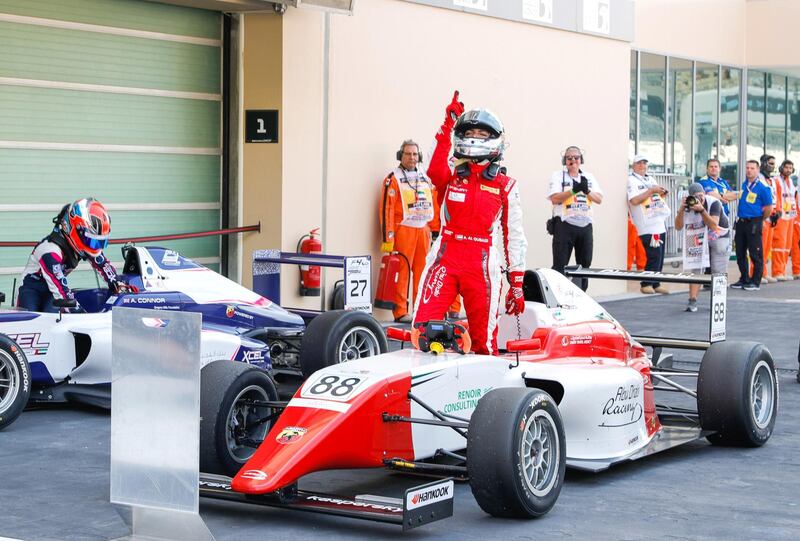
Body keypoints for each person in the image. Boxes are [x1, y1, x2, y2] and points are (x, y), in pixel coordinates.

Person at [414, 92, 528, 355]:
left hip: (483, 265)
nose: (475, 137)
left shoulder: (505, 185)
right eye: (470, 132)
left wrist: (517, 283)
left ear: (495, 140)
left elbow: (514, 235)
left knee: (484, 344)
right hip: (445, 256)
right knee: (422, 331)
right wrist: (447, 125)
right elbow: (432, 170)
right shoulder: (452, 173)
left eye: (482, 133)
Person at [379, 139, 457, 322]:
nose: (412, 157)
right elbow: (386, 209)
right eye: (408, 154)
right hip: (403, 230)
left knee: (424, 273)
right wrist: (388, 237)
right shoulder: (394, 178)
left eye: (415, 154)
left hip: (423, 230)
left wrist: (435, 229)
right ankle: (400, 312)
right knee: (403, 271)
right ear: (401, 156)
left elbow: (434, 202)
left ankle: (421, 310)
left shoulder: (425, 177)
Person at [17, 198, 130, 312]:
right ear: (73, 229)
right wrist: (81, 314)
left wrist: (118, 284)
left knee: (54, 319)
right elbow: (62, 291)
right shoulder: (49, 250)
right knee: (31, 319)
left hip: (52, 290)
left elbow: (103, 265)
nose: (94, 246)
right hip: (30, 288)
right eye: (91, 240)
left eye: (99, 242)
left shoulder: (84, 244)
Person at [546, 146, 603, 291]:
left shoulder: (589, 177)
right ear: (564, 161)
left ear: (581, 160)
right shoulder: (558, 175)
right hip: (565, 225)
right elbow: (554, 198)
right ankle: (557, 295)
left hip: (585, 226)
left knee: (585, 265)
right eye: (569, 158)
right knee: (559, 264)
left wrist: (587, 191)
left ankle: (582, 295)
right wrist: (573, 191)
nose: (573, 160)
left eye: (576, 157)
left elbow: (599, 199)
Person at [674, 183, 728, 312]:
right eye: (696, 197)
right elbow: (678, 226)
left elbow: (714, 225)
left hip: (718, 236)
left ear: (704, 193)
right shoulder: (688, 205)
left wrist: (702, 210)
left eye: (701, 196)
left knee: (718, 271)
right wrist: (681, 210)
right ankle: (692, 300)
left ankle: (719, 302)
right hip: (698, 235)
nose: (699, 199)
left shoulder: (713, 202)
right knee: (696, 268)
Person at [627, 155, 670, 294]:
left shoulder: (650, 179)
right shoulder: (631, 180)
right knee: (652, 254)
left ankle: (656, 282)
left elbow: (653, 196)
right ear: (633, 165)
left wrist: (661, 193)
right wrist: (651, 191)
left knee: (660, 255)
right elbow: (634, 200)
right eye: (639, 163)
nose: (642, 166)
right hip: (646, 223)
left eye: (644, 163)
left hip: (658, 220)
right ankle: (646, 283)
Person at [731, 160, 774, 291]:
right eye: (747, 168)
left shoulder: (763, 186)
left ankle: (755, 281)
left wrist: (761, 219)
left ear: (758, 170)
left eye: (752, 168)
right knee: (740, 252)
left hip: (754, 222)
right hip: (741, 222)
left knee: (755, 253)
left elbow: (768, 208)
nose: (749, 170)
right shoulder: (745, 184)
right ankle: (744, 278)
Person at [753, 154, 780, 283]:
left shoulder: (772, 180)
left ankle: (763, 272)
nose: (772, 166)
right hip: (762, 216)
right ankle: (756, 273)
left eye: (773, 164)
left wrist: (777, 212)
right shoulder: (758, 179)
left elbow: (775, 197)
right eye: (770, 163)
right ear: (763, 163)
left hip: (771, 217)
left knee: (767, 248)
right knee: (759, 247)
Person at [771, 160, 797, 281]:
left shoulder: (790, 181)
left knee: (787, 245)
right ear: (781, 168)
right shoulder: (776, 180)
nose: (788, 170)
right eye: (786, 167)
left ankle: (782, 270)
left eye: (790, 168)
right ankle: (777, 271)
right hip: (781, 216)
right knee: (779, 244)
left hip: (790, 216)